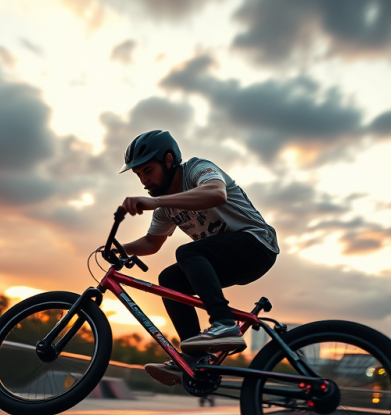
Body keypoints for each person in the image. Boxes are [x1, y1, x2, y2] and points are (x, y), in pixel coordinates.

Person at [119, 130, 279, 386]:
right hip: (228, 260)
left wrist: (155, 202)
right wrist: (120, 248)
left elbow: (217, 193)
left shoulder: (197, 169)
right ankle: (195, 358)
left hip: (258, 244)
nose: (143, 181)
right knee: (169, 279)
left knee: (187, 252)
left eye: (148, 170)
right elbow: (152, 243)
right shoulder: (164, 208)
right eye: (139, 175)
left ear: (168, 160)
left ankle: (224, 324)